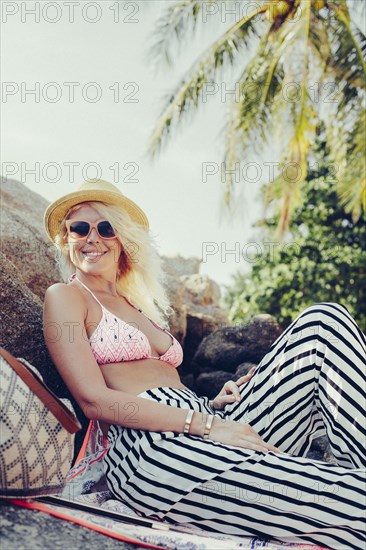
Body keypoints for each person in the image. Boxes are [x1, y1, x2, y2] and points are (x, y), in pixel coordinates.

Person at [43, 180, 366, 550]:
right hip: (155, 451)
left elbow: (165, 383)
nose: (91, 238)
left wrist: (210, 405)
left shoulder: (137, 306)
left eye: (105, 228)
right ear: (66, 239)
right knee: (356, 499)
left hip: (205, 421)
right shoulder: (66, 297)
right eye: (79, 228)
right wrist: (206, 425)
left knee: (324, 322)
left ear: (123, 241)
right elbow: (94, 399)